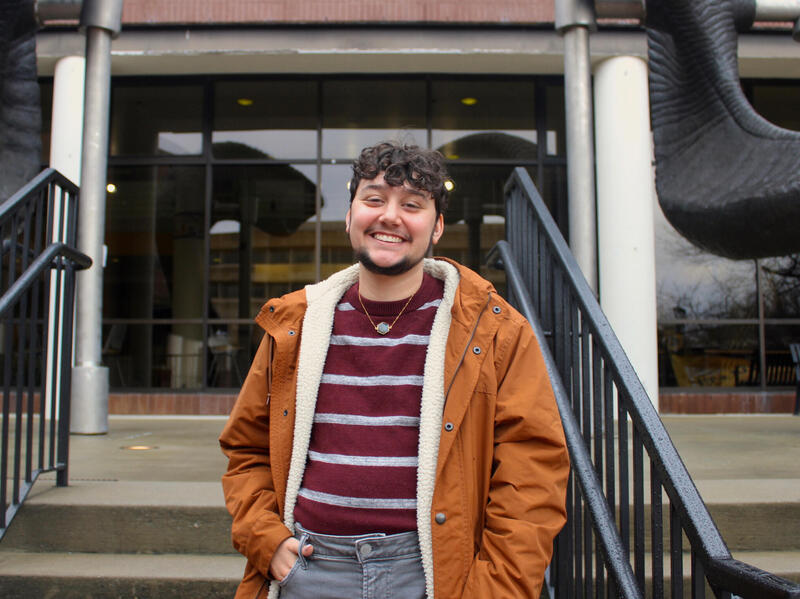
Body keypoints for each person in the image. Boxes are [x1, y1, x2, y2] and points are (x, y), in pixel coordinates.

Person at [219, 141, 569, 599]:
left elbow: (533, 476)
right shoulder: (293, 324)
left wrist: (493, 591)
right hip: (307, 570)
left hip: (431, 575)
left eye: (412, 205)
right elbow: (246, 448)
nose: (390, 216)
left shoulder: (495, 332)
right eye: (374, 199)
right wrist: (266, 539)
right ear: (350, 216)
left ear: (437, 226)